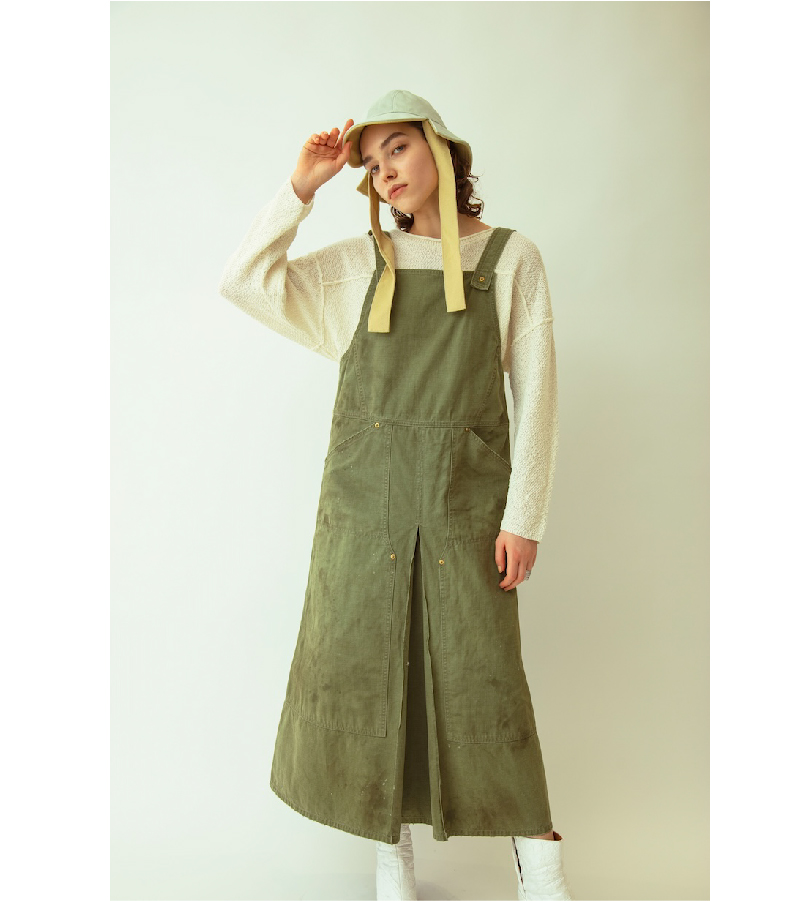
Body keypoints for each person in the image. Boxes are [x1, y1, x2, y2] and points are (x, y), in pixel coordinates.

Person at [218, 90, 572, 901]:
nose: (385, 172)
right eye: (371, 164)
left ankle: (541, 866)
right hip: (361, 508)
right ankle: (391, 857)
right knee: (367, 670)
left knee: (482, 677)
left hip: (464, 508)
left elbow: (539, 394)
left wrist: (524, 517)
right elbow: (243, 281)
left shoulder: (511, 259)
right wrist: (302, 188)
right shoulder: (358, 264)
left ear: (440, 148)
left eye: (399, 149)